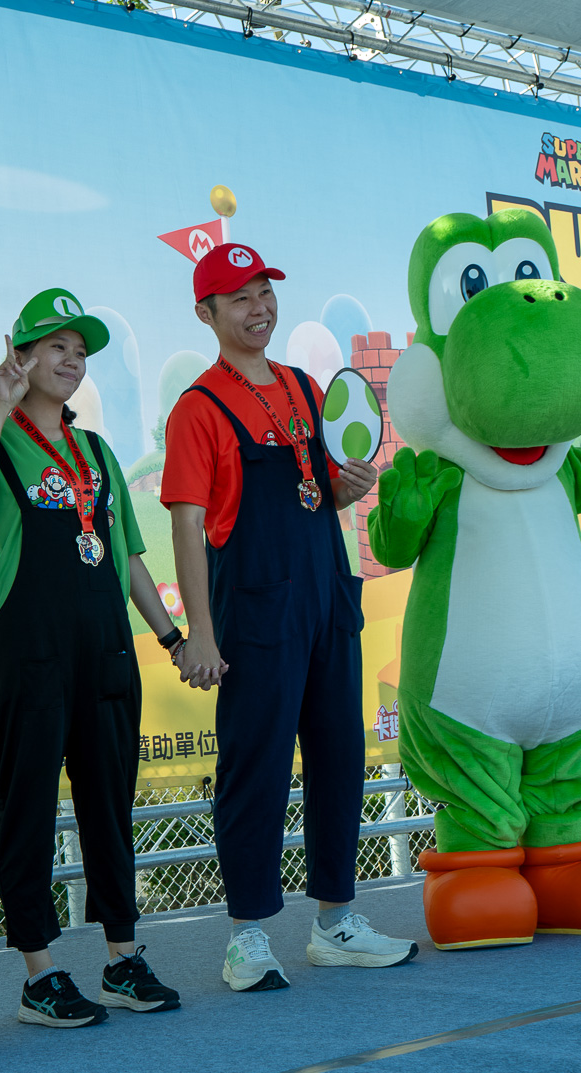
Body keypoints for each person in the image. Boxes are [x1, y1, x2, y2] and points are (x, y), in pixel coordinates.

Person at [162, 243, 418, 992]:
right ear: (207, 313)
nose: (260, 308)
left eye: (265, 292)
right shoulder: (199, 408)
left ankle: (336, 922)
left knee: (339, 757)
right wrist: (200, 632)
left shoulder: (306, 389)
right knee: (257, 767)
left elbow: (322, 492)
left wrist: (349, 487)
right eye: (240, 298)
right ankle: (247, 937)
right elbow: (187, 525)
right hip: (254, 608)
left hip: (325, 598)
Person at [0, 287, 184, 1028]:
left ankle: (123, 960)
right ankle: (39, 973)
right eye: (57, 347)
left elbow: (129, 557)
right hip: (29, 651)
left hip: (105, 651)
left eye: (80, 352)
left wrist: (172, 638)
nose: (73, 360)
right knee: (27, 806)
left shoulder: (98, 453)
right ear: (20, 357)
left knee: (110, 804)